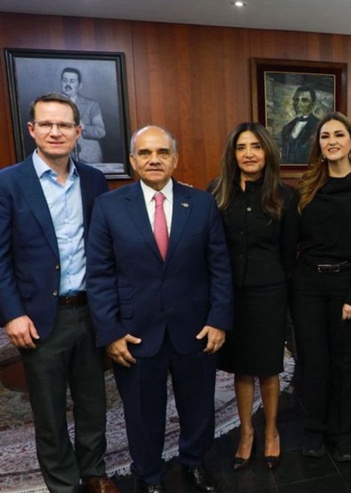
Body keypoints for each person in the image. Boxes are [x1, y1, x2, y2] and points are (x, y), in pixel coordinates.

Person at [87, 126, 234, 493]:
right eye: (145, 153)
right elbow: (99, 274)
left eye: (163, 152)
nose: (154, 159)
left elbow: (219, 266)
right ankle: (149, 475)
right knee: (141, 412)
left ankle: (194, 462)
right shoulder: (108, 206)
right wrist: (111, 332)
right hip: (135, 330)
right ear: (133, 160)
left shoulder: (201, 203)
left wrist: (218, 320)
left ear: (175, 159)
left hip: (195, 326)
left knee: (198, 406)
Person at [0, 93, 117, 493]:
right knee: (49, 411)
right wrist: (13, 314)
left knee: (93, 402)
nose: (56, 132)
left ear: (78, 132)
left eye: (64, 125)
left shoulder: (94, 180)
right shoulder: (8, 182)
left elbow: (109, 241)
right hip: (38, 317)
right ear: (32, 129)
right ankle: (63, 485)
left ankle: (94, 472)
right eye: (47, 124)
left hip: (90, 312)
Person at [291, 112, 351, 462]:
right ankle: (315, 430)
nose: (331, 141)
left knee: (345, 362)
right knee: (313, 362)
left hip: (348, 285)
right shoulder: (308, 185)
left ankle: (343, 432)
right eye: (325, 136)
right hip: (308, 285)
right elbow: (293, 239)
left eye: (338, 135)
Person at [209, 122, 299, 471]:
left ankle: (272, 432)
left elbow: (289, 252)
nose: (249, 154)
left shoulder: (285, 195)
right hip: (230, 293)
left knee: (268, 367)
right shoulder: (217, 191)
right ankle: (246, 433)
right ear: (232, 154)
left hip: (269, 293)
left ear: (267, 152)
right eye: (241, 147)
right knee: (242, 367)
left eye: (256, 147)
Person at [61, 67, 106, 164]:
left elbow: (100, 132)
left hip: (88, 157)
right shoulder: (51, 105)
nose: (68, 84)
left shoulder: (92, 105)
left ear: (80, 85)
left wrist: (84, 126)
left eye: (72, 81)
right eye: (65, 80)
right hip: (61, 157)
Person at [280, 86, 320, 164]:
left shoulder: (320, 126)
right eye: (296, 100)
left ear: (313, 104)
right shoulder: (286, 127)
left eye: (304, 100)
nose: (298, 105)